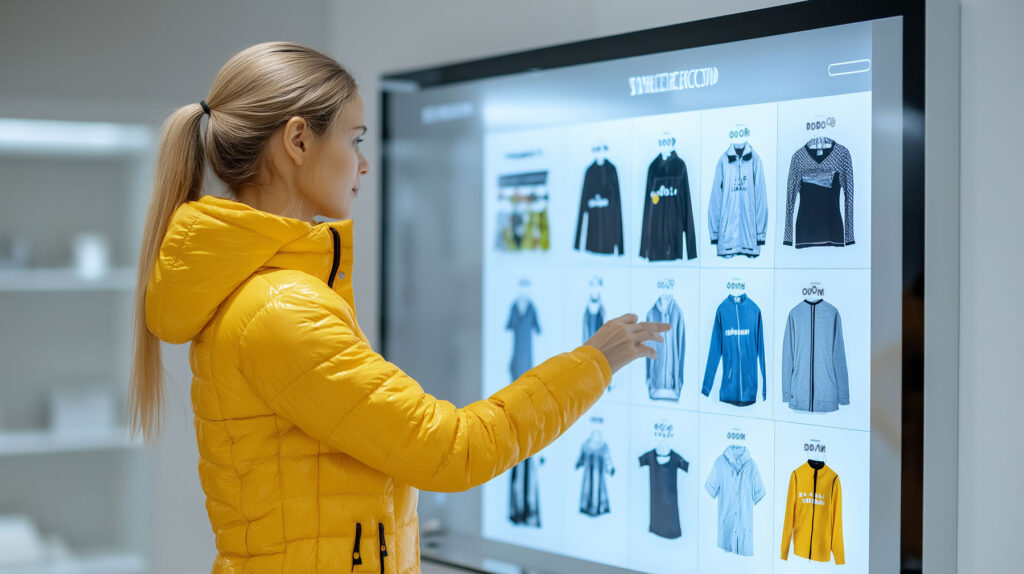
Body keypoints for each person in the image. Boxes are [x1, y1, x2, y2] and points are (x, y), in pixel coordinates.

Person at [127, 41, 669, 574]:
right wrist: (593, 363)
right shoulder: (283, 310)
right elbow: (452, 450)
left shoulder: (265, 294)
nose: (363, 165)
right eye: (354, 140)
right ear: (297, 140)